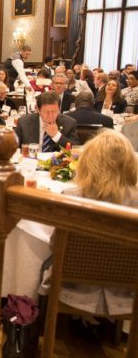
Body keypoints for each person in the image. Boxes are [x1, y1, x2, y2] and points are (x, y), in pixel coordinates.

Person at [46, 131, 138, 315]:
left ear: (88, 161)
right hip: (126, 294)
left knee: (41, 262)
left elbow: (56, 246)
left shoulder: (72, 198)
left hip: (73, 289)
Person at [14, 91, 80, 151]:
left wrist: (56, 135)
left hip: (56, 160)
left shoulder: (69, 123)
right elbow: (13, 146)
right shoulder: (24, 122)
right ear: (38, 110)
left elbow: (76, 149)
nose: (50, 115)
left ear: (59, 109)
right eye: (46, 112)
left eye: (54, 111)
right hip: (31, 159)